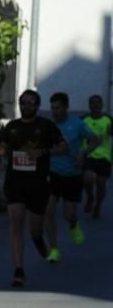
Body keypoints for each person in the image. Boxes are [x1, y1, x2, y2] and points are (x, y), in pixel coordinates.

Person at [0, 89, 68, 287]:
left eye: (31, 103)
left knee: (35, 228)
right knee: (16, 223)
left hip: (38, 184)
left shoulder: (46, 126)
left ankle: (39, 240)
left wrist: (43, 151)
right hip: (15, 182)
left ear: (37, 106)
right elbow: (4, 148)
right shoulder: (12, 127)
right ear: (19, 104)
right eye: (24, 103)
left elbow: (64, 147)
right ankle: (19, 270)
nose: (27, 106)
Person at [45, 92, 100, 261]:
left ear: (66, 107)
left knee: (69, 215)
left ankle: (73, 225)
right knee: (48, 211)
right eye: (53, 108)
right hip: (52, 174)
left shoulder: (77, 124)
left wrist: (83, 153)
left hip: (72, 174)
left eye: (58, 108)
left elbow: (95, 140)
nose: (55, 111)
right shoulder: (48, 125)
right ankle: (53, 250)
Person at [82, 94, 113, 219]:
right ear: (89, 105)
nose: (95, 105)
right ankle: (90, 197)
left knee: (101, 184)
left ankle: (98, 205)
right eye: (92, 103)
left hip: (104, 157)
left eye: (97, 103)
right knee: (87, 178)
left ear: (101, 105)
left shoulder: (108, 119)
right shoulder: (83, 120)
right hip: (88, 154)